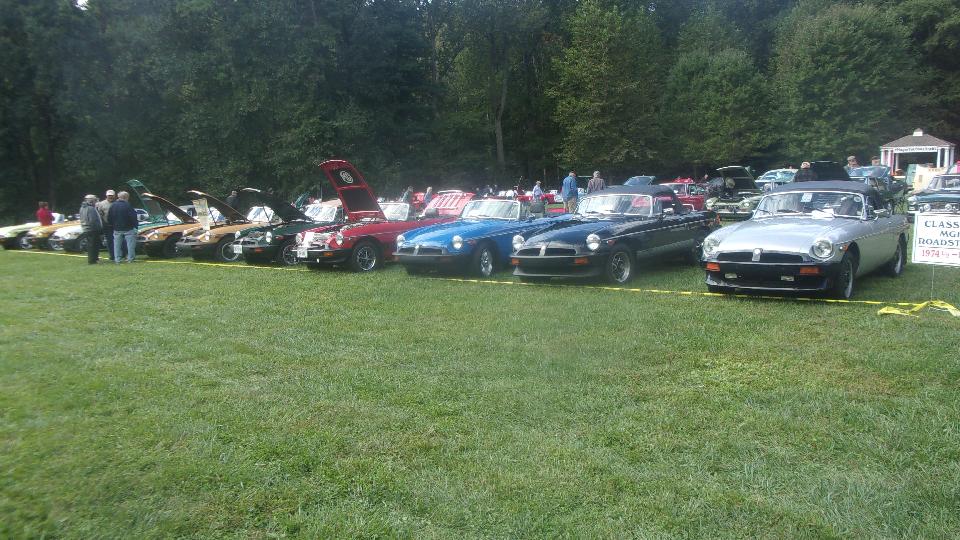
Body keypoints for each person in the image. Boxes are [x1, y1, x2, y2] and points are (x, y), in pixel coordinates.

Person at [108, 191, 139, 263]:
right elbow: (133, 217)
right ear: (126, 197)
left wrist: (112, 225)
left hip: (117, 228)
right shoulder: (128, 205)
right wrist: (135, 226)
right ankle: (130, 258)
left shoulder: (113, 205)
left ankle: (117, 259)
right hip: (128, 228)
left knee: (117, 245)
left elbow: (109, 217)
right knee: (130, 245)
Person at [79, 194, 103, 264]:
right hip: (92, 229)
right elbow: (93, 220)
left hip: (86, 229)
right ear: (91, 201)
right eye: (95, 200)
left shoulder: (82, 208)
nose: (96, 202)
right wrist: (98, 229)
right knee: (94, 245)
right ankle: (93, 260)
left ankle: (93, 259)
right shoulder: (91, 208)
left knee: (90, 245)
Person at [96, 189, 116, 260]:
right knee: (110, 241)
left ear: (114, 196)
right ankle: (112, 255)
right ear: (106, 196)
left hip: (117, 225)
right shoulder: (101, 204)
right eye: (109, 195)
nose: (110, 197)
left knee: (119, 240)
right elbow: (99, 215)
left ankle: (120, 254)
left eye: (111, 195)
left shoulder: (117, 203)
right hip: (107, 225)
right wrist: (103, 223)